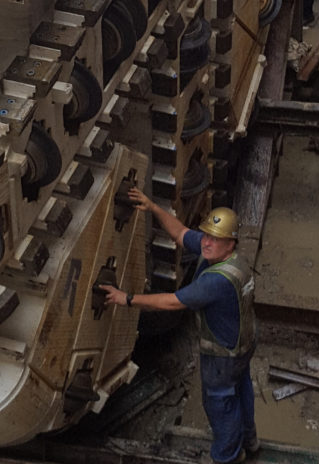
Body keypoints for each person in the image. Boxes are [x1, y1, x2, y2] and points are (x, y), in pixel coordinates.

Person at [100, 189, 257, 464]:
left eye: (214, 239)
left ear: (230, 243)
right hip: (243, 342)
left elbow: (172, 303)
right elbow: (180, 234)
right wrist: (153, 207)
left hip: (223, 352)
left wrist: (126, 299)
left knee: (219, 402)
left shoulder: (217, 281)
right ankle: (249, 440)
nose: (206, 243)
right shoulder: (230, 258)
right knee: (241, 389)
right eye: (206, 235)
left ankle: (227, 457)